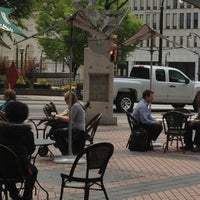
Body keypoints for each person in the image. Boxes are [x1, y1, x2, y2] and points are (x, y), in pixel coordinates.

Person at [0, 101, 38, 200]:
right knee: (33, 171)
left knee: (5, 168)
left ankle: (14, 194)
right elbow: (31, 150)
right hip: (21, 169)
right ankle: (27, 196)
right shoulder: (27, 132)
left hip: (1, 169)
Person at [51, 91, 86, 155]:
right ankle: (62, 145)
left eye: (66, 100)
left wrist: (56, 116)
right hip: (75, 126)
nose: (65, 102)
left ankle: (65, 151)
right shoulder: (75, 105)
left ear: (69, 99)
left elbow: (69, 119)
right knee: (58, 125)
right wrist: (60, 116)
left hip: (77, 129)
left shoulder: (75, 106)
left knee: (57, 132)